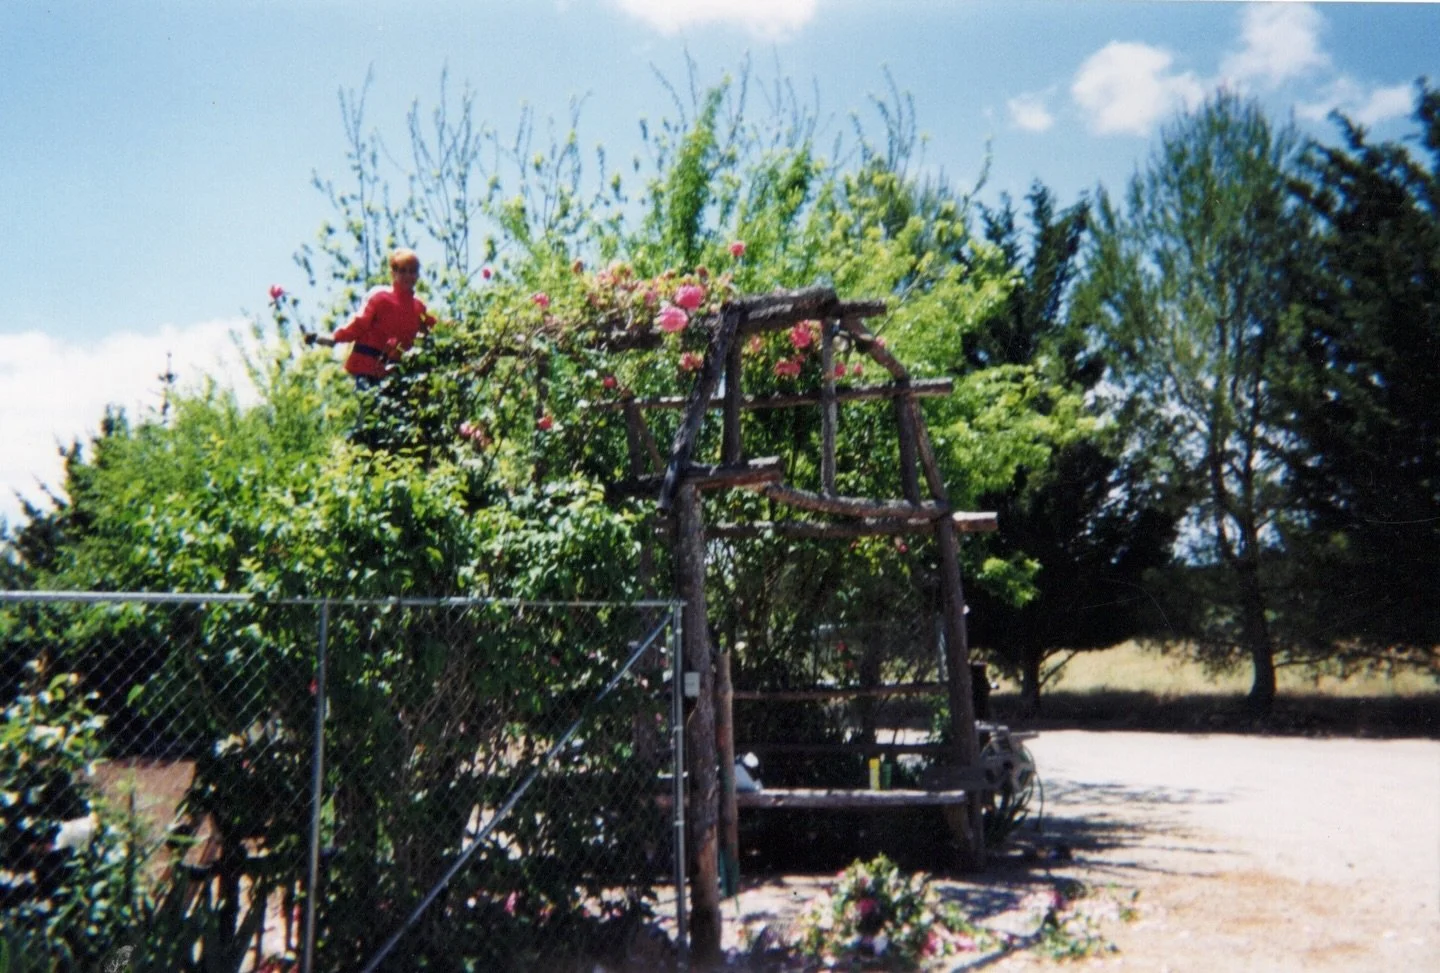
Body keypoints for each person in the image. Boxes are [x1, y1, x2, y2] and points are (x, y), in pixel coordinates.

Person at [311, 248, 436, 387]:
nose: (408, 275)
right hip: (367, 367)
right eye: (402, 270)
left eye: (412, 271)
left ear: (418, 275)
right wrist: (335, 338)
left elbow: (435, 329)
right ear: (393, 273)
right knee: (370, 405)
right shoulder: (380, 297)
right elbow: (359, 323)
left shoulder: (418, 307)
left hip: (397, 373)